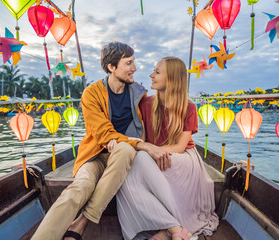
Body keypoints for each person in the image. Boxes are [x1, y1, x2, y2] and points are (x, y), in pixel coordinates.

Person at [32, 42, 147, 240]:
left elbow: (157, 116)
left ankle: (82, 221)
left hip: (124, 159)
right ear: (112, 67)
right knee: (80, 187)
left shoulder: (140, 94)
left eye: (133, 62)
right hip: (94, 156)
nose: (134, 68)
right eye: (128, 63)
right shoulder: (92, 93)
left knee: (125, 150)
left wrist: (119, 142)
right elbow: (103, 133)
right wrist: (133, 142)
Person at [116, 57, 219, 240]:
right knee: (125, 176)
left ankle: (166, 229)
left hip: (181, 158)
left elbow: (180, 147)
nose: (151, 75)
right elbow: (143, 139)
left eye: (156, 72)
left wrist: (153, 152)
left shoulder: (188, 107)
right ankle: (173, 227)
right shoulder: (146, 104)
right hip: (153, 156)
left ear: (171, 78)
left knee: (141, 159)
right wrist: (149, 150)